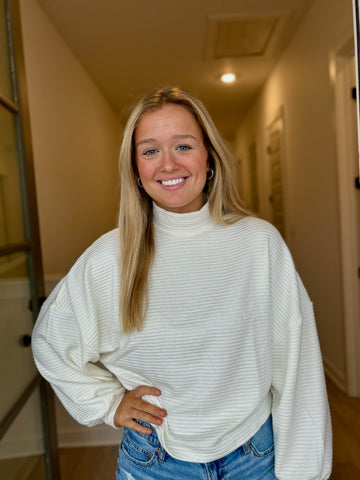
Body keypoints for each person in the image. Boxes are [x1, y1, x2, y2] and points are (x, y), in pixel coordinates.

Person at [32, 86, 332, 480]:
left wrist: (304, 471)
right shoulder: (110, 256)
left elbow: (296, 363)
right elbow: (52, 341)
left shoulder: (258, 243)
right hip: (154, 461)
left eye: (184, 146)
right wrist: (108, 403)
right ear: (136, 170)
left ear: (209, 157)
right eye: (150, 151)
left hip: (255, 455)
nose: (168, 164)